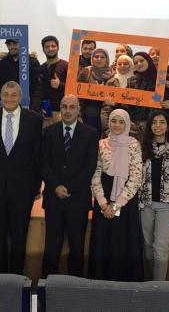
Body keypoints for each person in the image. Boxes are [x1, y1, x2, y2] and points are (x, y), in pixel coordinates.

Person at [0, 81, 43, 274]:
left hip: (22, 192)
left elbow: (37, 156)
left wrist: (35, 188)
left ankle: (17, 278)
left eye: (13, 95)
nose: (9, 98)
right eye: (5, 94)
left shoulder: (34, 119)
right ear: (0, 96)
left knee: (19, 237)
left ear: (21, 97)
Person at [40, 95, 98, 277]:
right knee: (51, 248)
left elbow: (90, 166)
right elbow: (43, 163)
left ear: (78, 109)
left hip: (78, 200)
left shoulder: (90, 133)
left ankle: (75, 289)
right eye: (64, 106)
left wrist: (69, 188)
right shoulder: (49, 132)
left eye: (72, 107)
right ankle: (46, 287)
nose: (67, 111)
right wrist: (56, 186)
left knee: (77, 248)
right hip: (53, 199)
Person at [89, 109, 143, 282]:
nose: (117, 125)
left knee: (122, 243)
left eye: (121, 122)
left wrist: (117, 204)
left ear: (127, 124)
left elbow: (136, 177)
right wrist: (103, 203)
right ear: (109, 122)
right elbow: (95, 173)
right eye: (114, 121)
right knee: (102, 242)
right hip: (103, 200)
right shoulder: (101, 144)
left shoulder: (134, 144)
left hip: (126, 201)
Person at [139, 110, 169, 281]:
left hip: (167, 205)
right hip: (146, 203)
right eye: (154, 122)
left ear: (168, 126)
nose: (158, 126)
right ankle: (149, 283)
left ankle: (159, 287)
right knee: (147, 246)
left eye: (162, 122)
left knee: (160, 247)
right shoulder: (143, 148)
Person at [0, 39, 42, 112]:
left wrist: (35, 107)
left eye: (15, 44)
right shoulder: (2, 63)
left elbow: (37, 87)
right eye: (9, 44)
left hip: (29, 107)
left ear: (21, 43)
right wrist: (0, 107)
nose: (12, 47)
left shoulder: (32, 62)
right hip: (7, 107)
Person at [77, 48, 113, 138]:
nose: (99, 59)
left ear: (107, 59)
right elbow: (77, 91)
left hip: (106, 114)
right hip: (88, 113)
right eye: (96, 57)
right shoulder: (86, 72)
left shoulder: (112, 74)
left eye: (102, 57)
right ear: (92, 58)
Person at [125, 52, 158, 136]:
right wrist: (115, 103)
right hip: (134, 123)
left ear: (148, 60)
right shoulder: (131, 81)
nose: (139, 64)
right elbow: (126, 101)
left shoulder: (160, 79)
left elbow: (167, 98)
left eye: (141, 61)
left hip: (155, 123)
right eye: (136, 63)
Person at [39, 35, 68, 125]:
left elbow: (75, 89)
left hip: (63, 112)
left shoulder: (66, 66)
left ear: (58, 48)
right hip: (45, 113)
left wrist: (60, 85)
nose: (50, 49)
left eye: (53, 46)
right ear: (43, 49)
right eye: (47, 47)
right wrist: (40, 109)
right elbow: (38, 91)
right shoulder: (40, 68)